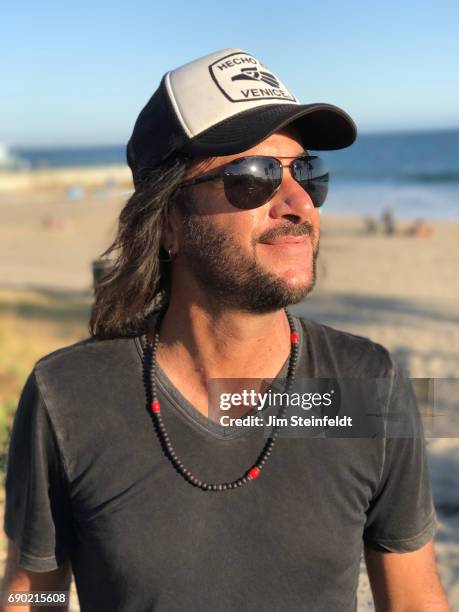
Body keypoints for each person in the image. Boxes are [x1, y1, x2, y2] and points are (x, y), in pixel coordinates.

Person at [2, 48, 449, 612]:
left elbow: (412, 601)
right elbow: (33, 596)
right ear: (167, 222)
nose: (298, 203)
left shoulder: (367, 387)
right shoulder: (68, 396)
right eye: (252, 178)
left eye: (306, 173)